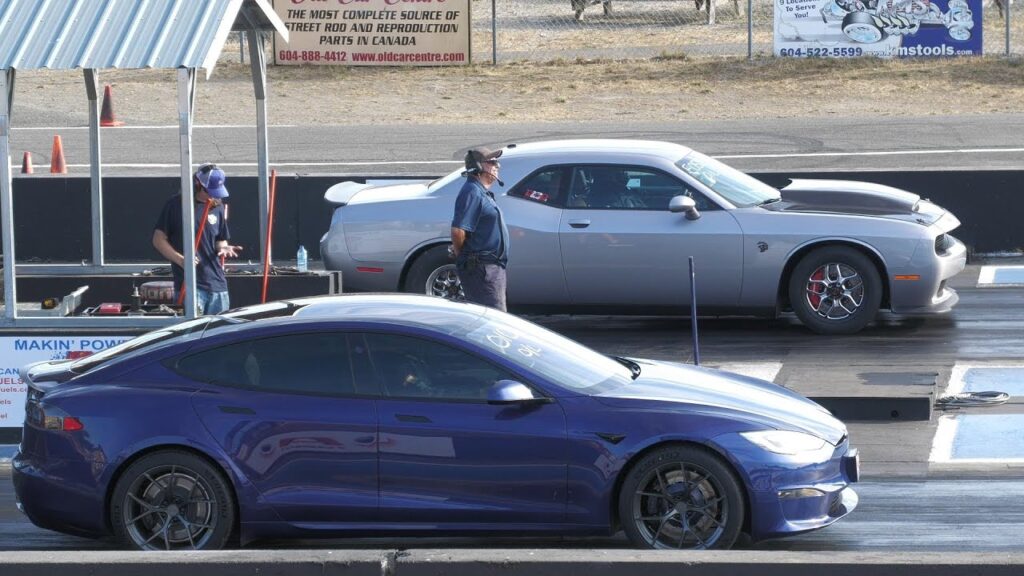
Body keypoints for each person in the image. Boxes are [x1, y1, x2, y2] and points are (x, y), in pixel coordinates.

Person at [152, 163, 242, 315]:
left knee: (219, 334)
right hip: (191, 286)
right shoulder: (176, 205)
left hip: (218, 285)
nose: (214, 196)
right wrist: (182, 260)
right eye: (210, 191)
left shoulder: (217, 206)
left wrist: (223, 247)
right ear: (198, 184)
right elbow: (158, 240)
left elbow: (220, 239)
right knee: (192, 334)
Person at [450, 146, 510, 311]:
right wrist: (465, 257)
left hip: (490, 269)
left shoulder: (480, 192)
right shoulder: (471, 192)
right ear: (477, 167)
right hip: (483, 270)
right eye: (492, 162)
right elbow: (458, 231)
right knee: (493, 321)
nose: (497, 166)